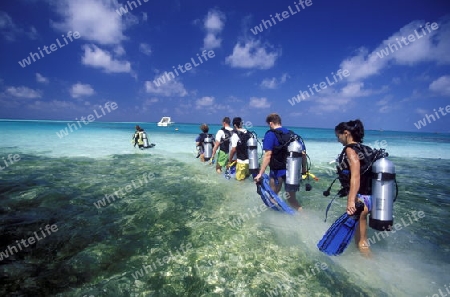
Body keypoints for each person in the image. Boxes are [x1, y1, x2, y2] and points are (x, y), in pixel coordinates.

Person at [333, 119, 372, 253]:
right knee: (361, 240)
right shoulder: (366, 149)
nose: (338, 140)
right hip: (371, 198)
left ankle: (369, 269)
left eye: (338, 136)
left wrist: (351, 201)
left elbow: (355, 175)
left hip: (360, 201)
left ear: (346, 133)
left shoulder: (350, 150)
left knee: (362, 242)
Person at [253, 113, 306, 211]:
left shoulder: (270, 134)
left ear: (271, 123)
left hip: (277, 172)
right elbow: (303, 154)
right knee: (292, 200)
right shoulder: (292, 134)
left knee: (273, 196)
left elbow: (268, 155)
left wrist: (260, 173)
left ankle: (274, 219)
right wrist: (304, 170)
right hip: (293, 170)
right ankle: (304, 217)